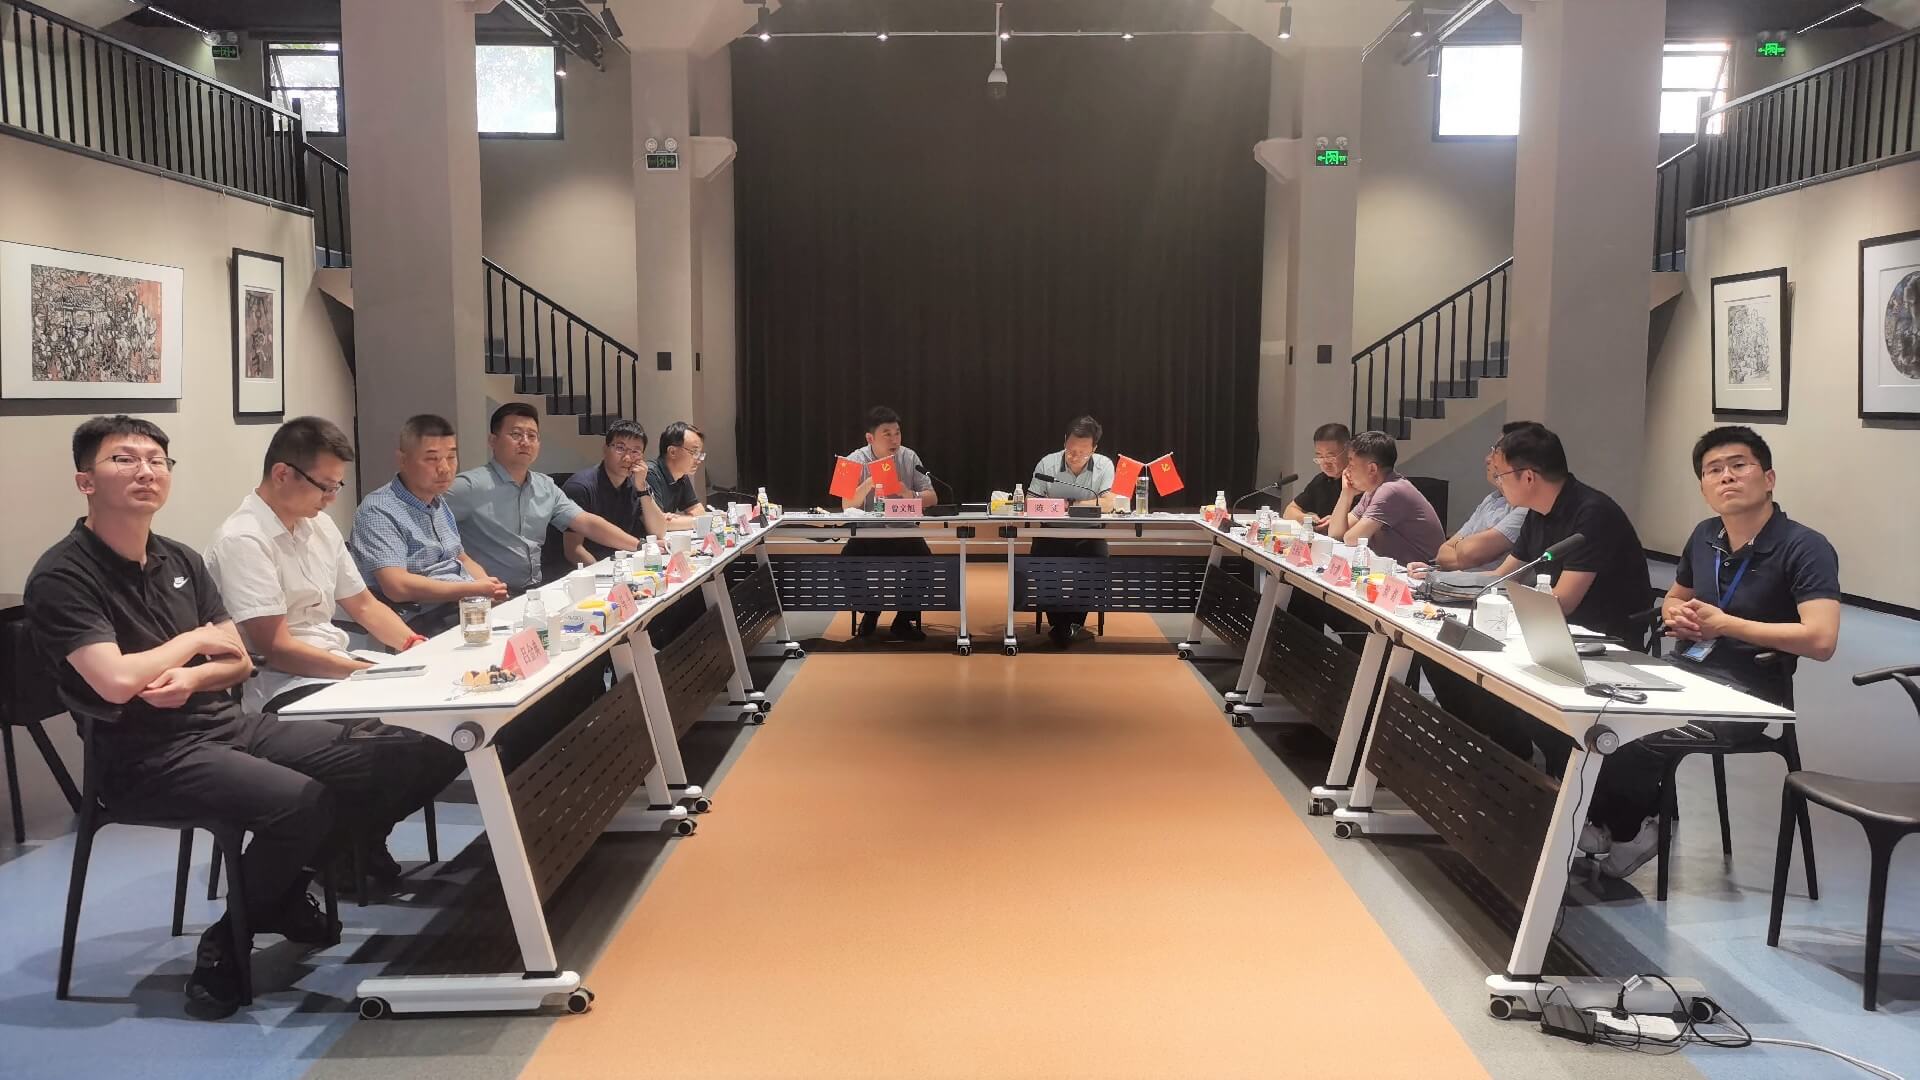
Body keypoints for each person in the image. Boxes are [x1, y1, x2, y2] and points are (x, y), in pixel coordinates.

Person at [24, 416, 458, 1019]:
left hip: (224, 725)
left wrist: (194, 674)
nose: (146, 471)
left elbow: (237, 661)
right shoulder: (64, 574)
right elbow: (117, 681)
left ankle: (277, 895)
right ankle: (227, 942)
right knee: (303, 802)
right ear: (85, 481)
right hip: (143, 755)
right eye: (124, 459)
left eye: (156, 460)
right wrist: (193, 642)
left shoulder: (178, 558)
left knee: (402, 757)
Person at [1575, 427, 1844, 880]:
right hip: (1685, 669)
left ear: (1769, 478)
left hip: (1749, 691)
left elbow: (1821, 639)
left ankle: (1628, 829)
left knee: (1638, 730)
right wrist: (1675, 614)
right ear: (1703, 487)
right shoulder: (1706, 535)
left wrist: (1726, 625)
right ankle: (1603, 821)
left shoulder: (1805, 546)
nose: (1726, 477)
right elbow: (1675, 598)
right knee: (1592, 704)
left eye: (1739, 465)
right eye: (1713, 470)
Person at [447, 403, 643, 594]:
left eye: (532, 436)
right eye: (516, 434)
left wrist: (640, 546)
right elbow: (432, 530)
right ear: (493, 440)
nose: (525, 442)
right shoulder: (468, 486)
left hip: (534, 590)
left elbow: (587, 523)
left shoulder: (545, 486)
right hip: (488, 595)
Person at [349, 414, 508, 633]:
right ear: (403, 460)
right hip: (422, 618)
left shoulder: (436, 500)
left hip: (461, 604)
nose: (445, 468)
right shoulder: (378, 510)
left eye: (451, 457)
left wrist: (489, 587)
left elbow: (461, 557)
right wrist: (471, 590)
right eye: (432, 459)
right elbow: (397, 587)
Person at [841, 406, 938, 641]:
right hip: (867, 535)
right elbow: (846, 504)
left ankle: (903, 619)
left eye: (897, 433)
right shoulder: (851, 460)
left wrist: (909, 493)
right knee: (845, 564)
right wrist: (870, 482)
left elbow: (933, 498)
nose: (895, 439)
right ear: (870, 438)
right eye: (887, 434)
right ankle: (871, 609)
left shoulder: (910, 457)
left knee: (925, 562)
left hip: (904, 532)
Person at [1027, 416, 1115, 647]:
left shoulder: (1104, 465)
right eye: (1070, 450)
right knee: (1042, 567)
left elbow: (1108, 503)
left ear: (1094, 449)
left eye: (1083, 453)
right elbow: (1031, 501)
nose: (1075, 457)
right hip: (1052, 533)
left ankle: (1072, 623)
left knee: (1097, 567)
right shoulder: (1047, 464)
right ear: (1065, 441)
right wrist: (1078, 506)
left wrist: (1070, 506)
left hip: (1089, 535)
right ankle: (1061, 624)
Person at [1419, 421, 1536, 576]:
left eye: (1496, 453)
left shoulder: (1528, 508)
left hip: (1487, 587)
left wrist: (1462, 546)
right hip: (1459, 582)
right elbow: (1442, 554)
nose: (1488, 459)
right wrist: (1467, 546)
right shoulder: (1492, 499)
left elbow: (1473, 554)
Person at [551, 419, 668, 572]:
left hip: (623, 564)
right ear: (605, 449)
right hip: (587, 571)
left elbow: (658, 532)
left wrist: (642, 488)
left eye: (635, 451)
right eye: (620, 448)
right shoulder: (580, 487)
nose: (627, 458)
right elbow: (574, 550)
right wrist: (604, 575)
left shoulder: (635, 483)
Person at [1325, 430, 1445, 566]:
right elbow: (1335, 534)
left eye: (1351, 465)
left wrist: (1347, 531)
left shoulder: (1391, 491)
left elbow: (1352, 539)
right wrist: (1346, 494)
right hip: (1398, 569)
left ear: (1372, 469)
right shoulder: (1373, 490)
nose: (1347, 471)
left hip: (1423, 572)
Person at [1283, 423, 1350, 531]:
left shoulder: (1359, 481)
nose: (1325, 463)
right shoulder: (1321, 480)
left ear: (1347, 450)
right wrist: (1306, 518)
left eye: (1330, 457)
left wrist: (1338, 521)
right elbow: (1289, 511)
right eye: (1320, 457)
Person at [647, 421, 710, 529]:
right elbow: (658, 523)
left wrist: (677, 519)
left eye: (700, 454)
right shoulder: (650, 474)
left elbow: (698, 511)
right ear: (672, 452)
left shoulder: (681, 476)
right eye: (694, 452)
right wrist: (699, 521)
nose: (699, 460)